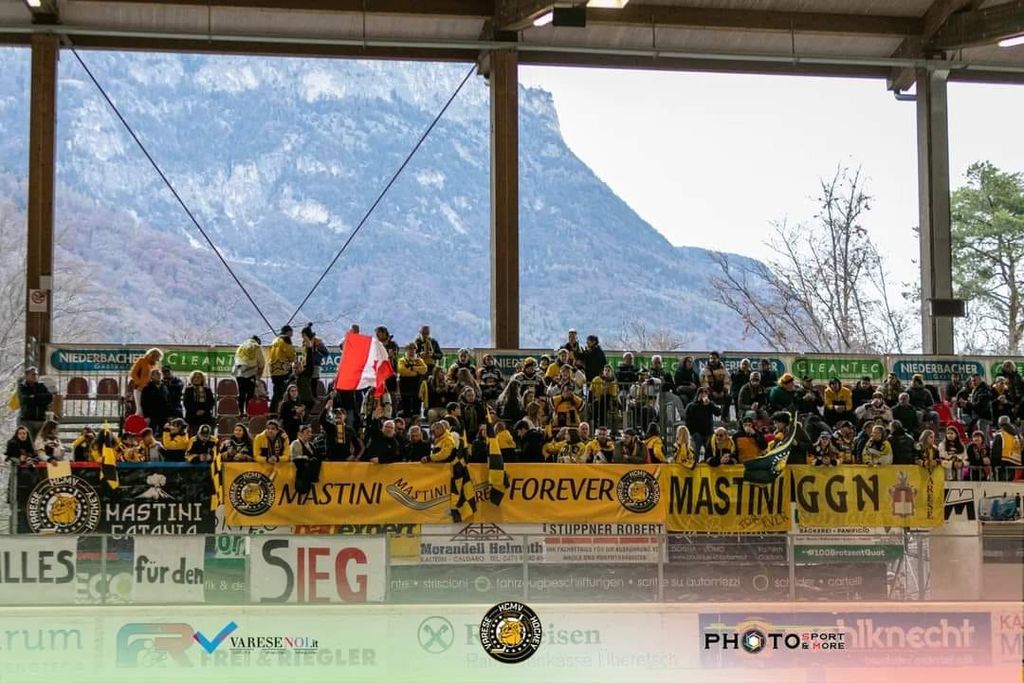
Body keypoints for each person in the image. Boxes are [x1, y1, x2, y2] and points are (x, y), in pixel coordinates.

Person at [297, 324, 328, 410]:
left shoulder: (317, 341)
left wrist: (316, 354)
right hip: (306, 365)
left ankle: (314, 397)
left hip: (315, 364)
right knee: (307, 383)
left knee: (314, 381)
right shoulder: (305, 342)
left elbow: (326, 353)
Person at [232, 335, 265, 417]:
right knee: (250, 394)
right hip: (250, 373)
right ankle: (248, 412)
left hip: (239, 373)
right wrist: (258, 375)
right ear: (258, 341)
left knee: (241, 393)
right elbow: (262, 362)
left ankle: (240, 412)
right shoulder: (256, 346)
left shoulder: (241, 346)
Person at [17, 367, 52, 439]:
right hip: (27, 420)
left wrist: (34, 396)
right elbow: (25, 400)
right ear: (27, 376)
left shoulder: (41, 386)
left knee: (40, 442)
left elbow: (49, 398)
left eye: (36, 374)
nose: (35, 376)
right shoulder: (22, 387)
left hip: (41, 420)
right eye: (33, 374)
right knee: (27, 441)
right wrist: (41, 398)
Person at [267, 325, 296, 415]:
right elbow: (291, 355)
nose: (292, 335)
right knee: (283, 393)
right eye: (291, 332)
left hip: (273, 370)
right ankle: (280, 412)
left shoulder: (274, 340)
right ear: (288, 332)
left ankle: (272, 411)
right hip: (283, 370)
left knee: (276, 392)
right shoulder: (286, 339)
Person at [685, 387, 720, 456]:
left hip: (708, 432)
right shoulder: (691, 406)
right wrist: (692, 431)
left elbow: (718, 413)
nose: (703, 394)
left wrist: (710, 404)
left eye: (705, 393)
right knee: (695, 452)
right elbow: (687, 419)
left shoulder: (710, 405)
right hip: (696, 433)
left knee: (710, 451)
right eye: (702, 392)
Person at [397, 344, 428, 418]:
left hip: (417, 388)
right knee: (406, 408)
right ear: (406, 350)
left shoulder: (419, 360)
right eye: (410, 349)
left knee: (417, 408)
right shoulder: (402, 360)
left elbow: (424, 369)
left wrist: (412, 368)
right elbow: (402, 371)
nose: (412, 351)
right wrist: (416, 372)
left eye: (414, 349)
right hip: (405, 388)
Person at [129, 349, 163, 416]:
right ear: (152, 356)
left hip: (150, 389)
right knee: (139, 410)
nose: (157, 360)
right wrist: (140, 383)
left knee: (146, 409)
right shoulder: (141, 361)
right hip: (139, 389)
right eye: (157, 358)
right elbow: (133, 373)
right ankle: (135, 422)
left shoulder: (154, 365)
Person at [183, 370, 215, 435]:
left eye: (198, 377)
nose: (196, 379)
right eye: (194, 377)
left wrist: (203, 410)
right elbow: (186, 403)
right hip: (192, 417)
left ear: (202, 379)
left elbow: (211, 402)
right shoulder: (188, 390)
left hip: (205, 416)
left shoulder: (207, 389)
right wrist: (195, 411)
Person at [589, 365, 620, 432]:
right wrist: (590, 402)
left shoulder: (613, 382)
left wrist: (608, 386)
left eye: (608, 371)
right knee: (596, 405)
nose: (607, 372)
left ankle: (603, 427)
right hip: (597, 400)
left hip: (609, 401)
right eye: (605, 370)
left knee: (605, 400)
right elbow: (591, 391)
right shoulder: (597, 379)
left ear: (611, 372)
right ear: (603, 371)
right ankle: (595, 428)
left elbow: (613, 394)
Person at [701, 351, 731, 418]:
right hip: (710, 393)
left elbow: (727, 382)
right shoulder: (705, 370)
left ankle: (724, 417)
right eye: (710, 358)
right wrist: (712, 392)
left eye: (714, 358)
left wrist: (723, 391)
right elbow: (704, 383)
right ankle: (708, 418)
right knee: (705, 398)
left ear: (718, 359)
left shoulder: (724, 370)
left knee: (728, 398)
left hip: (721, 393)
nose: (712, 360)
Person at [990, 415, 1020, 481]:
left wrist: (993, 466)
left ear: (999, 424)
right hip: (1013, 466)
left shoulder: (1000, 435)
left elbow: (995, 453)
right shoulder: (1016, 435)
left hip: (1001, 466)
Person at [140, 368, 169, 434]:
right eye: (157, 374)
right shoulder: (147, 388)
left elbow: (168, 400)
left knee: (164, 433)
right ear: (152, 376)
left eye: (160, 374)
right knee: (151, 433)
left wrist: (168, 414)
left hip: (163, 415)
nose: (159, 375)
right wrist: (147, 416)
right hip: (152, 416)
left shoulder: (164, 387)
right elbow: (144, 403)